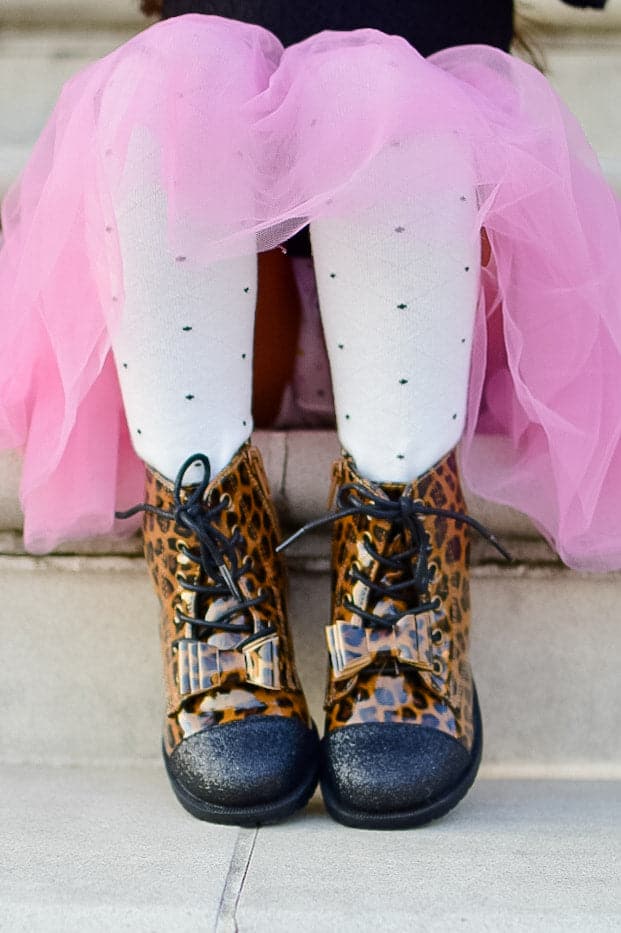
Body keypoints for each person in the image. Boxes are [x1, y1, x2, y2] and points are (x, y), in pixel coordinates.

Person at [0, 0, 617, 829]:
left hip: (431, 259)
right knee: (172, 77)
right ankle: (212, 539)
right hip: (220, 304)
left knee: (379, 86)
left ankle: (400, 529)